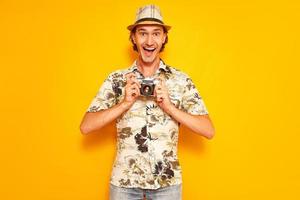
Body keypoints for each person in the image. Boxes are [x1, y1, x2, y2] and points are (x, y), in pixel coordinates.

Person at [80, 4, 215, 200]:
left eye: (156, 34)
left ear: (164, 38)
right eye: (142, 33)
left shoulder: (180, 80)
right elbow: (86, 126)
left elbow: (208, 130)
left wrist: (170, 107)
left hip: (167, 183)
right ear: (133, 38)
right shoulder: (117, 79)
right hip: (124, 183)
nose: (149, 41)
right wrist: (125, 103)